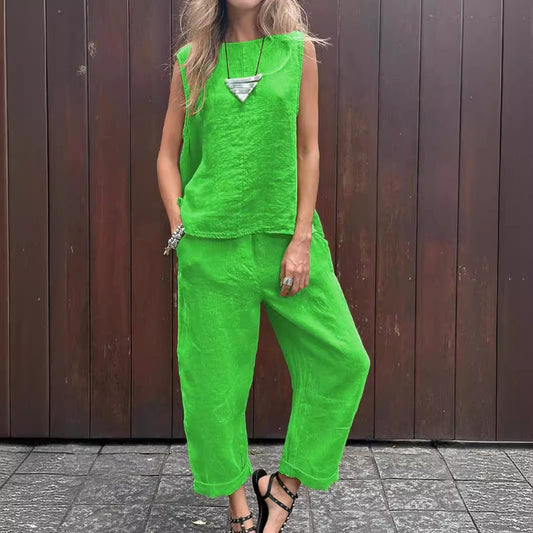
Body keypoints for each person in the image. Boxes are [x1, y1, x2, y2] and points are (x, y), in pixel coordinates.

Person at [157, 1, 371, 531]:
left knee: (344, 359)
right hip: (211, 246)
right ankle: (240, 512)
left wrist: (301, 238)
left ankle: (282, 488)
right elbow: (167, 154)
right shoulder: (192, 62)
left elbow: (309, 149)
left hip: (285, 241)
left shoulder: (297, 53)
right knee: (214, 387)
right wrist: (180, 226)